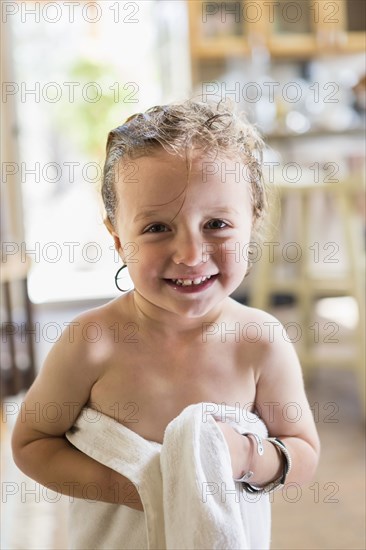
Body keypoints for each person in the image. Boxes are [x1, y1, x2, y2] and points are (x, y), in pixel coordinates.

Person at [12, 99, 320, 544]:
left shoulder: (260, 342)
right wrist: (140, 487)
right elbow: (32, 443)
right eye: (157, 228)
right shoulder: (92, 342)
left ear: (252, 224)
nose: (192, 255)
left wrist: (245, 457)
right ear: (119, 240)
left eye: (216, 223)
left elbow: (302, 451)